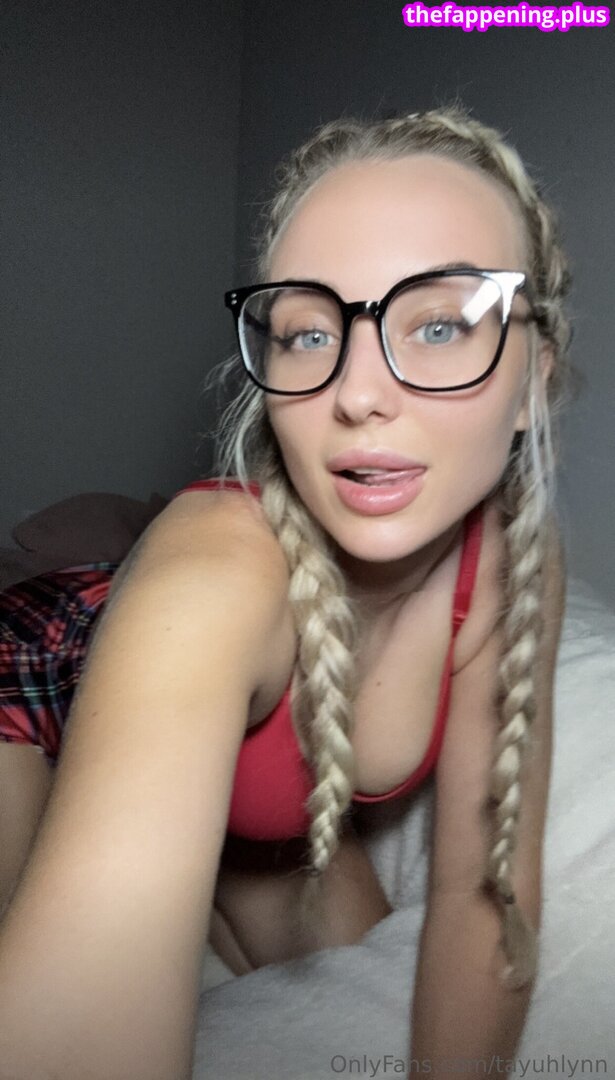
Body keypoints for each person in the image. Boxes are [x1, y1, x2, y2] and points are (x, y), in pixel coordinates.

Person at [0, 105, 570, 1080]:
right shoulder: (216, 575)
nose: (358, 393)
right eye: (309, 334)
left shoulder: (517, 564)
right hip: (30, 685)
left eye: (439, 325)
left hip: (244, 797)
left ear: (532, 382)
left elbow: (482, 912)